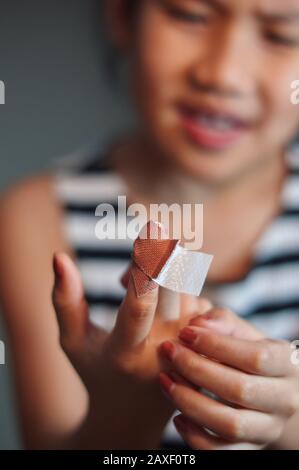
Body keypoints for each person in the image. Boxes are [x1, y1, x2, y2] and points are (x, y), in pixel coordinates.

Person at [1, 0, 299, 450]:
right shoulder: (36, 217)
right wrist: (125, 414)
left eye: (281, 34)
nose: (223, 74)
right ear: (122, 16)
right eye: (190, 15)